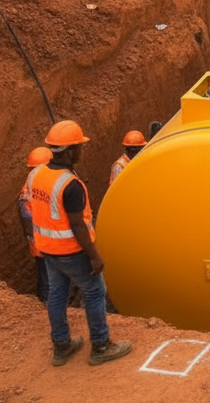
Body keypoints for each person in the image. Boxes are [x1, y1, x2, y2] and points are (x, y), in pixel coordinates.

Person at [29, 119, 132, 367]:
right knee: (95, 292)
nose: (82, 151)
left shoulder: (37, 174)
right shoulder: (70, 185)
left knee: (56, 295)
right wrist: (94, 255)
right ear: (70, 151)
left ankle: (62, 345)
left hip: (47, 250)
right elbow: (77, 225)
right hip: (71, 251)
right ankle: (101, 345)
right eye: (79, 146)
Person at [17, 146, 52, 304]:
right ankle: (45, 307)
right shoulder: (29, 193)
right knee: (47, 279)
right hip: (42, 244)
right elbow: (27, 220)